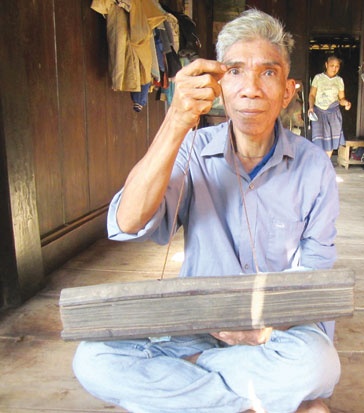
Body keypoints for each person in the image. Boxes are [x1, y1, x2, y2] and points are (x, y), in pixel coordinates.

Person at [72, 9, 341, 413]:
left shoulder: (314, 166)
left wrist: (262, 332)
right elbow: (127, 222)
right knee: (93, 360)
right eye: (234, 71)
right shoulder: (192, 149)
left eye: (267, 73)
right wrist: (176, 121)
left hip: (274, 333)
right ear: (218, 85)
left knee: (318, 365)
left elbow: (315, 277)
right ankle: (262, 401)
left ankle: (188, 387)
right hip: (195, 326)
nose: (250, 88)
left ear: (288, 91)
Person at [308, 55, 352, 158]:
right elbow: (312, 95)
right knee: (319, 138)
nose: (334, 68)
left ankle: (326, 162)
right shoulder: (318, 78)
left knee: (331, 140)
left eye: (337, 66)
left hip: (334, 112)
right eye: (332, 65)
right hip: (318, 111)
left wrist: (346, 103)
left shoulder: (339, 80)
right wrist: (311, 107)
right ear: (326, 65)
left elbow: (341, 99)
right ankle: (320, 162)